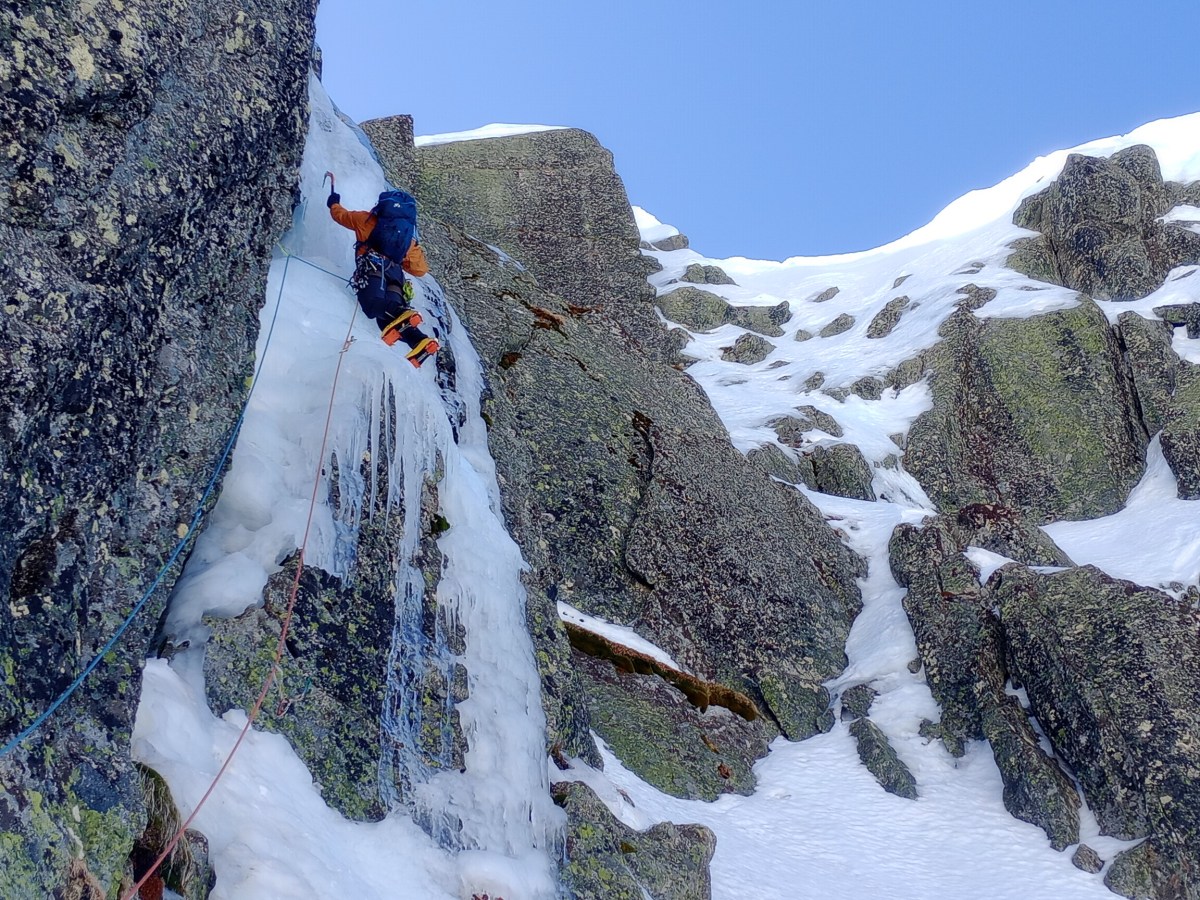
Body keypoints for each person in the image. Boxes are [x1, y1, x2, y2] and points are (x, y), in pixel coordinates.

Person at [327, 186, 439, 366]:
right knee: (385, 321)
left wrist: (333, 203)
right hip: (395, 277)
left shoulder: (366, 220)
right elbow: (420, 270)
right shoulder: (408, 238)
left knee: (372, 306)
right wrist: (404, 251)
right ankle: (420, 341)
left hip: (373, 270)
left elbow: (340, 216)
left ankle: (403, 313)